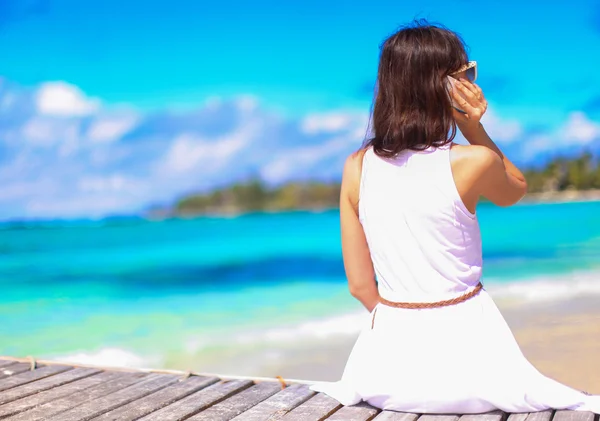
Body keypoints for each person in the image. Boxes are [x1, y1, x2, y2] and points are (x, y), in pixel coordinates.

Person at [308, 20, 600, 414]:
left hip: (382, 375)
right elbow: (514, 189)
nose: (473, 81)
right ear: (446, 87)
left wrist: (406, 332)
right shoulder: (472, 162)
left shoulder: (356, 167)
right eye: (468, 73)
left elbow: (361, 286)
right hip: (476, 373)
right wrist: (473, 127)